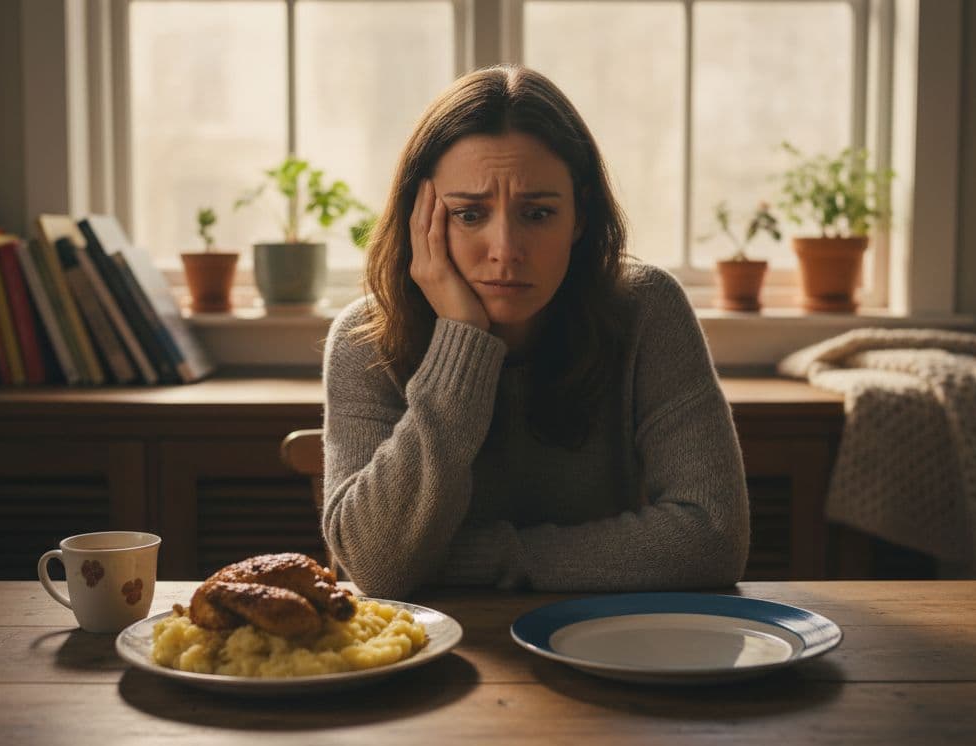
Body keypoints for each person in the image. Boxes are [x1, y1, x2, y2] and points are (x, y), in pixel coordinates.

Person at [321, 65, 749, 599]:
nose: (505, 248)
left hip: (609, 646)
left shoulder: (648, 310)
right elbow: (377, 565)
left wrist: (491, 558)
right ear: (421, 219)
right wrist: (462, 341)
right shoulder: (364, 338)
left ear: (580, 216)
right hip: (434, 663)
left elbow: (713, 537)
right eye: (470, 214)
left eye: (539, 213)